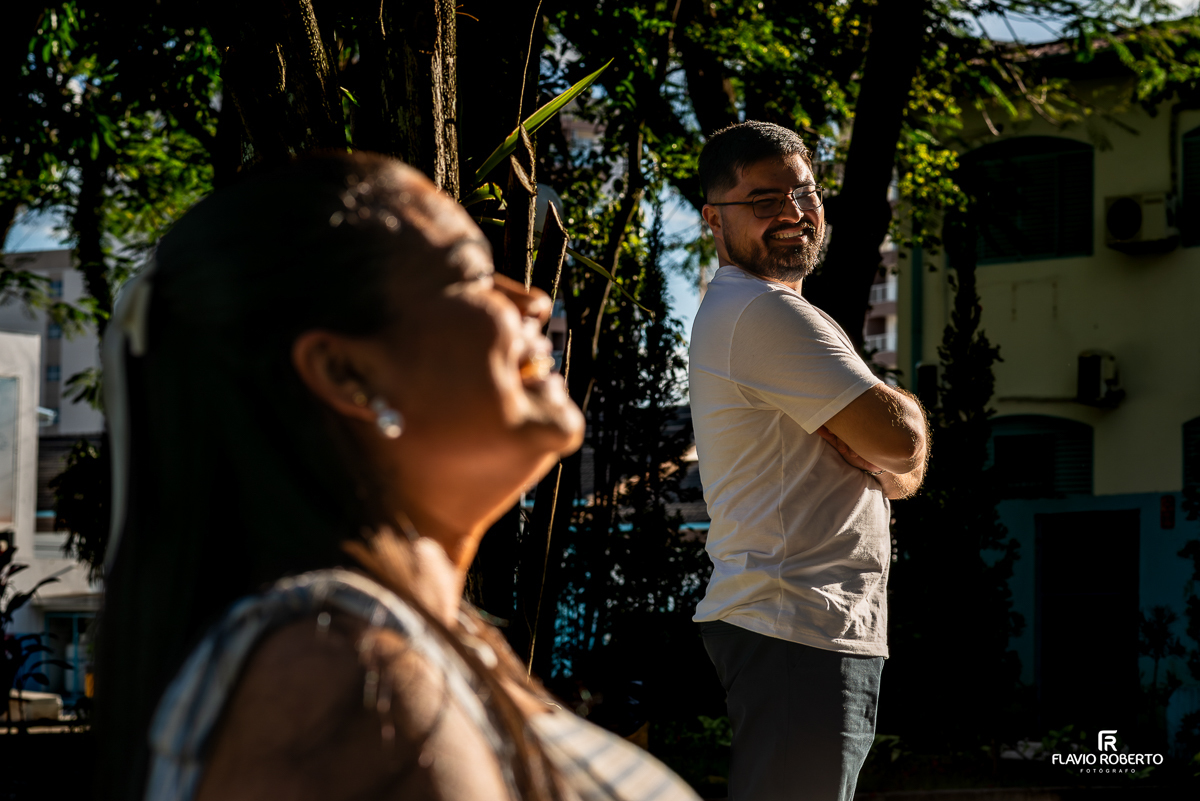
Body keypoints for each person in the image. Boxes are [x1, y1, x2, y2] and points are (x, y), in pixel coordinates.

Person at [95, 152, 702, 801]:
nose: (532, 298)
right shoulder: (340, 672)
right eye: (472, 273)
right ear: (344, 373)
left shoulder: (398, 643)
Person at [689, 122, 929, 800]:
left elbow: (897, 467)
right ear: (714, 217)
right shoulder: (762, 313)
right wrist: (891, 446)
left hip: (808, 628)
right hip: (797, 626)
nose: (794, 213)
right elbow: (904, 444)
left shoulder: (772, 311)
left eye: (804, 193)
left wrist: (891, 457)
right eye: (764, 201)